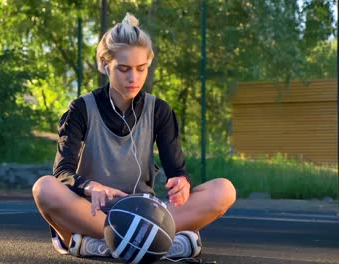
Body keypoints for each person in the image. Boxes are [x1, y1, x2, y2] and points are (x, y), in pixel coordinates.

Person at [32, 13, 236, 260]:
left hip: (144, 211)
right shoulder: (81, 109)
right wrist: (90, 186)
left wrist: (181, 183)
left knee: (224, 191)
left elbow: (177, 171)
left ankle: (103, 244)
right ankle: (152, 242)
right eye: (124, 69)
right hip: (93, 211)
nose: (134, 78)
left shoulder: (159, 110)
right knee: (44, 188)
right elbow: (62, 173)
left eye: (141, 69)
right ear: (105, 65)